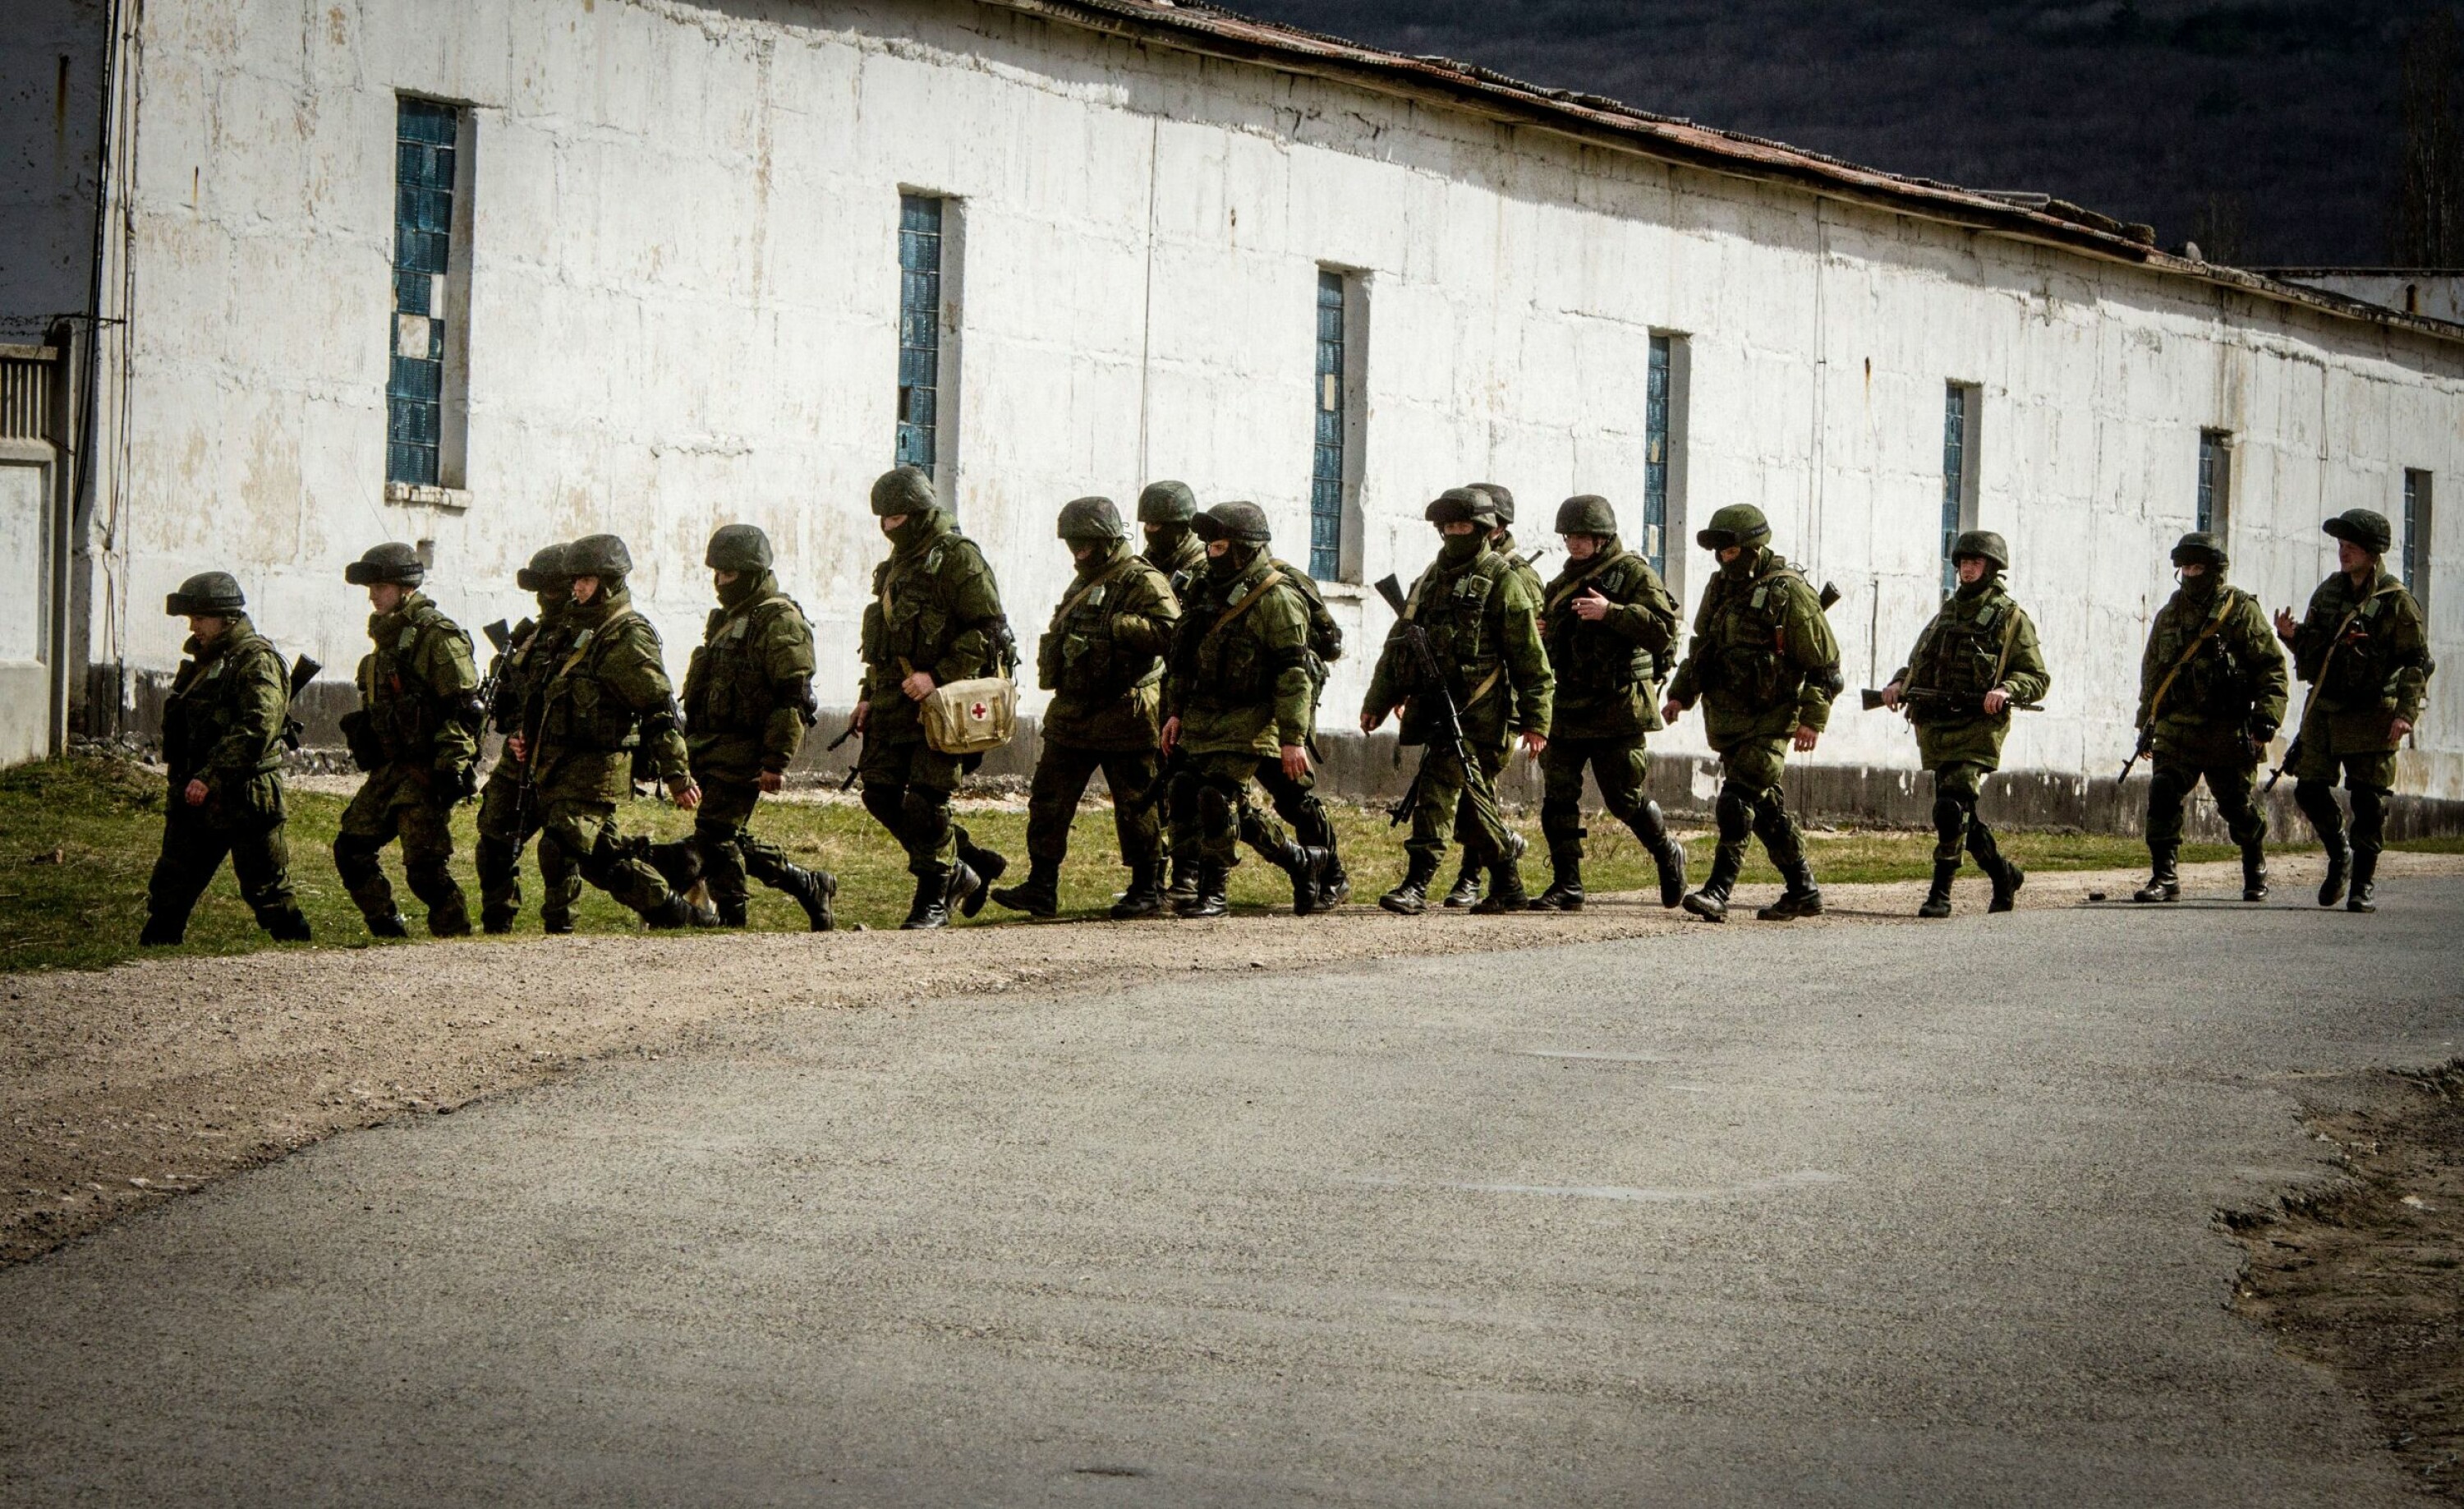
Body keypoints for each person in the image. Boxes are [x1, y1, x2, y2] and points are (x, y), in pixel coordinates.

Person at [1363, 487, 1553, 915]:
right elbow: (1398, 648)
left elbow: (1530, 660)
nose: (1454, 534)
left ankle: (1416, 883)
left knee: (1438, 792)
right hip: (1437, 709)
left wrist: (1536, 720)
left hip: (1484, 716)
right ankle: (1507, 884)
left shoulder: (1504, 581)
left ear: (1485, 530)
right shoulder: (1428, 581)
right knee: (1470, 809)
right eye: (1448, 526)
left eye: (1463, 526)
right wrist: (1378, 699)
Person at [992, 496, 1179, 919]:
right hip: (1075, 710)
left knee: (1137, 803)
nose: (1078, 549)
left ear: (1109, 539)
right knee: (1048, 799)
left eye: (1087, 541)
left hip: (1126, 711)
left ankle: (1147, 888)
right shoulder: (1084, 582)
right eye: (1073, 542)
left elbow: (1174, 633)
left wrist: (1121, 627)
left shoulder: (1142, 580)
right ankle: (1042, 886)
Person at [648, 524, 838, 930]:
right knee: (726, 836)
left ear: (751, 573)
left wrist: (776, 760)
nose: (719, 582)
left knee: (715, 835)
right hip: (712, 745)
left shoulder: (780, 621)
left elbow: (794, 697)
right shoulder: (731, 619)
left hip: (750, 750)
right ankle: (808, 885)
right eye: (716, 574)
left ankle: (732, 920)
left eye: (728, 574)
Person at [1662, 504, 1841, 921]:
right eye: (1719, 550)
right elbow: (1702, 649)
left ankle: (1718, 892)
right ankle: (1803, 889)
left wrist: (1812, 720)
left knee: (1735, 800)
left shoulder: (1789, 592)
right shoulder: (1720, 588)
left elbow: (1825, 667)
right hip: (1729, 718)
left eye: (1730, 549)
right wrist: (1679, 695)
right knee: (1765, 810)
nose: (1724, 557)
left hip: (1773, 718)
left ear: (1752, 548)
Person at [529, 532, 716, 928]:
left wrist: (677, 775)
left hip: (599, 767)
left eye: (586, 580)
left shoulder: (627, 635)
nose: (576, 587)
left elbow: (659, 711)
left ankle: (564, 930)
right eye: (575, 579)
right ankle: (681, 900)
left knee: (571, 848)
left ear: (609, 583)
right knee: (598, 859)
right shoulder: (581, 631)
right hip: (562, 765)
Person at [1160, 501, 1337, 917]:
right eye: (1210, 547)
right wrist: (1175, 713)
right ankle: (1300, 860)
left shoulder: (1278, 598)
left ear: (1244, 548)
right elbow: (1185, 658)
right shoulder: (1205, 588)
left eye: (1220, 547)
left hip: (1255, 717)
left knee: (1217, 798)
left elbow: (1294, 675)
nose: (1211, 555)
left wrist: (1293, 740)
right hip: (1205, 715)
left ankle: (1214, 891)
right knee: (1183, 789)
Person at [854, 466, 1014, 928]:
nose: (888, 526)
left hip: (944, 705)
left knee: (927, 801)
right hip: (893, 703)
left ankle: (934, 896)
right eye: (882, 518)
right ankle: (967, 862)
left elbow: (989, 630)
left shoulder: (958, 557)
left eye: (897, 517)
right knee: (880, 794)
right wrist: (866, 695)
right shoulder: (895, 566)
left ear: (921, 512)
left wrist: (937, 675)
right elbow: (885, 643)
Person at [1877, 531, 2050, 917]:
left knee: (1951, 808)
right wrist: (1899, 682)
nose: (1968, 570)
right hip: (1938, 727)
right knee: (1959, 814)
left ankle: (1940, 893)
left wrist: (2007, 688)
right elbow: (1921, 660)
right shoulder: (1947, 614)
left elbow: (2037, 677)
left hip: (1978, 727)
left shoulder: (2011, 618)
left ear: (1991, 568)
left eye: (1976, 563)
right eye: (1963, 563)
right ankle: (2003, 874)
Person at [1529, 494, 1689, 912]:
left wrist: (1612, 612)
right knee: (1558, 794)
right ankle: (1568, 883)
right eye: (1569, 537)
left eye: (1583, 537)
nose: (1574, 544)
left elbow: (1662, 630)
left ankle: (1667, 851)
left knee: (1623, 797)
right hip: (1569, 704)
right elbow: (1553, 649)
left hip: (1617, 706)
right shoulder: (1560, 584)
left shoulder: (1633, 574)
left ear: (1602, 538)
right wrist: (1543, 632)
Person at [2274, 508, 2436, 913]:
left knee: (2369, 803)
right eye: (2341, 547)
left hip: (2373, 715)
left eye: (2351, 547)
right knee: (2309, 790)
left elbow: (2418, 662)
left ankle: (2362, 883)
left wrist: (2405, 714)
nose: (2343, 554)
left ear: (2373, 553)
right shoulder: (2329, 592)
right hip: (2326, 712)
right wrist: (2292, 638)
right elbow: (2316, 655)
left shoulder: (2398, 603)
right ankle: (2339, 853)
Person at [139, 572, 312, 945]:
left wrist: (212, 775)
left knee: (267, 890)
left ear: (227, 618)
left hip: (245, 795)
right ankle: (153, 962)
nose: (194, 626)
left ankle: (303, 957)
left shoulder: (257, 661)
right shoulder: (210, 661)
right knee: (171, 886)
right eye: (192, 619)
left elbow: (257, 728)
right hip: (197, 791)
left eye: (201, 618)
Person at [2125, 531, 2287, 904]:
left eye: (2197, 567)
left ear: (2214, 571)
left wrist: (2266, 720)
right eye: (2184, 568)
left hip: (2226, 729)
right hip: (2177, 728)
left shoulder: (2240, 611)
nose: (2190, 574)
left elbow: (2272, 670)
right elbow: (2153, 673)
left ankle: (2254, 864)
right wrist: (2146, 723)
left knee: (2236, 805)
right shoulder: (2169, 615)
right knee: (2163, 791)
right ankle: (2164, 876)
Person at [332, 542, 482, 938]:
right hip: (389, 771)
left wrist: (451, 767)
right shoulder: (385, 641)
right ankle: (387, 929)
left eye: (380, 585)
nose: (372, 595)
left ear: (405, 588)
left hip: (425, 772)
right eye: (372, 586)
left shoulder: (436, 635)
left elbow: (465, 710)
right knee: (351, 850)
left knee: (425, 872)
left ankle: (455, 939)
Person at [1441, 481, 1544, 906]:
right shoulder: (1452, 570)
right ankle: (1494, 863)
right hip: (1458, 700)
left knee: (1474, 788)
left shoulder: (1516, 576)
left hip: (1499, 703)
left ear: (1497, 528)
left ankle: (1476, 874)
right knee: (1471, 788)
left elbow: (1531, 653)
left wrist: (1533, 717)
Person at [474, 543, 584, 934]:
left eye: (555, 589)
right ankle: (497, 923)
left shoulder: (588, 639)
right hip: (520, 757)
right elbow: (510, 701)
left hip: (563, 761)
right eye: (542, 590)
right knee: (493, 840)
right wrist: (517, 731)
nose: (547, 598)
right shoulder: (527, 638)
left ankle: (560, 926)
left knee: (558, 848)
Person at [1138, 479, 1208, 906]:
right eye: (1147, 524)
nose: (1152, 531)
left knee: (1187, 781)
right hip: (1157, 689)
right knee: (1162, 782)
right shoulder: (1148, 565)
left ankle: (1190, 873)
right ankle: (1167, 872)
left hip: (1192, 689)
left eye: (1161, 524)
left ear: (1182, 526)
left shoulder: (1202, 567)